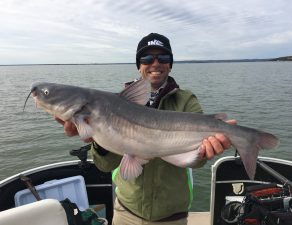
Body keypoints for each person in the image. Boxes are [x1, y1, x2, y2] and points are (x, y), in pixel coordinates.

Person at [56, 33, 236, 225]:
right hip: (126, 211)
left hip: (172, 216)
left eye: (163, 58)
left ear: (170, 64)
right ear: (139, 65)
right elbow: (105, 166)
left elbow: (196, 162)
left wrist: (205, 152)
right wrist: (98, 141)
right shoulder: (115, 104)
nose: (155, 63)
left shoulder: (186, 101)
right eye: (147, 58)